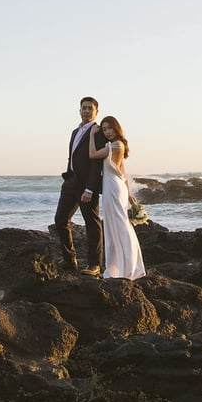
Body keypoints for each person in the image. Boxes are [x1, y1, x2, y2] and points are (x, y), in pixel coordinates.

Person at [88, 115, 146, 281]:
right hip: (115, 187)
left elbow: (92, 154)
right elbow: (123, 172)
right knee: (116, 225)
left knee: (119, 226)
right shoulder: (116, 145)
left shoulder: (115, 145)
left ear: (117, 128)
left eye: (110, 128)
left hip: (113, 188)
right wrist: (128, 194)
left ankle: (126, 266)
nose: (107, 132)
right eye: (104, 129)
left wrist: (92, 134)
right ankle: (119, 266)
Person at [54, 96, 105, 275]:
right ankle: (70, 260)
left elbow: (96, 163)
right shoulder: (75, 132)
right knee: (60, 220)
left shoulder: (98, 132)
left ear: (96, 111)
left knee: (92, 224)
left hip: (86, 185)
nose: (86, 111)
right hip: (71, 182)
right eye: (83, 108)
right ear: (79, 110)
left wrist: (90, 188)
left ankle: (94, 264)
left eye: (90, 108)